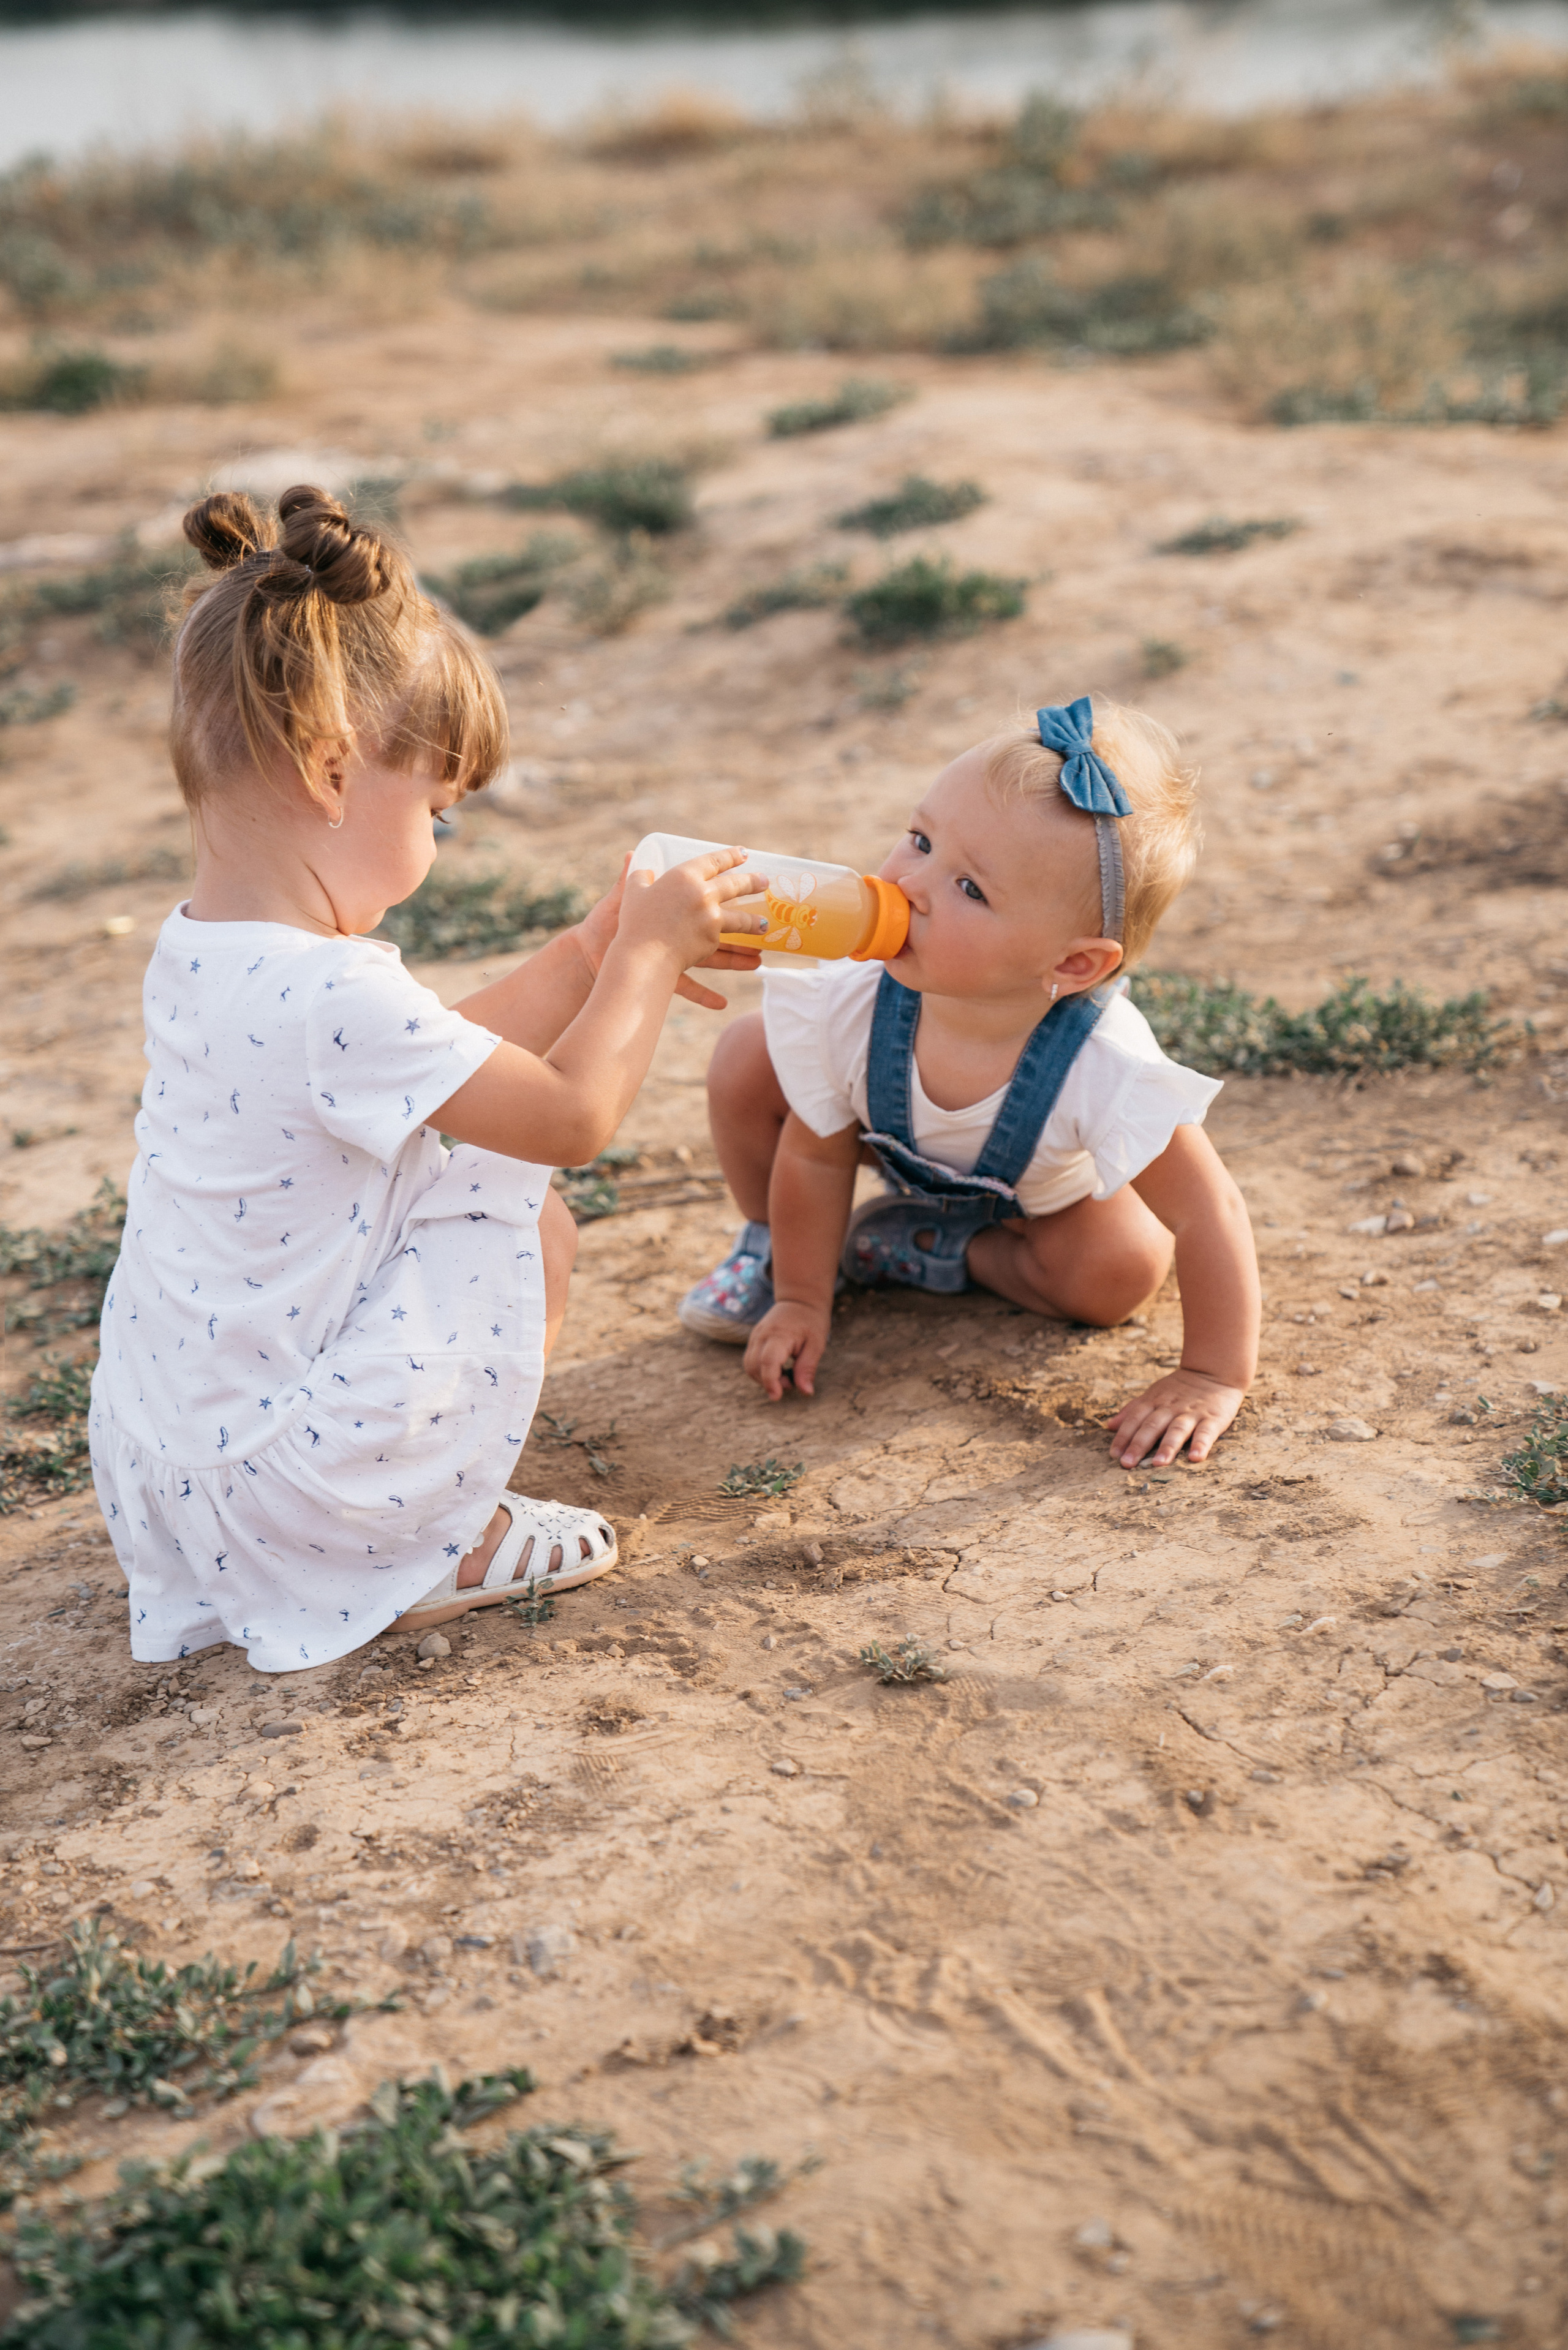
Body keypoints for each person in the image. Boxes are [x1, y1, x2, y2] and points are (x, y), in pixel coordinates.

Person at [90, 484, 758, 1674]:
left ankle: (328, 1526)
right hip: (298, 1492)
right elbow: (563, 1115)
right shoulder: (334, 994)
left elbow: (426, 1058)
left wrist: (585, 955)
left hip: (167, 1475)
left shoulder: (204, 948)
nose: (437, 846)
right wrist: (650, 959)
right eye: (437, 812)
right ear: (333, 767)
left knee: (453, 1156)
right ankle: (422, 1538)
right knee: (522, 1202)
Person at [678, 698, 1260, 1469]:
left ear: (1072, 965)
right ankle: (772, 1251)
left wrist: (1211, 1374)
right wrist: (801, 1298)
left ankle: (930, 1248)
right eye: (920, 840)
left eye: (969, 888)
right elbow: (815, 1156)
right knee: (747, 1059)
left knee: (1119, 1272)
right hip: (884, 1144)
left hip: (1034, 1201)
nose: (910, 883)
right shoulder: (854, 998)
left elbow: (1207, 1211)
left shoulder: (1102, 1064)